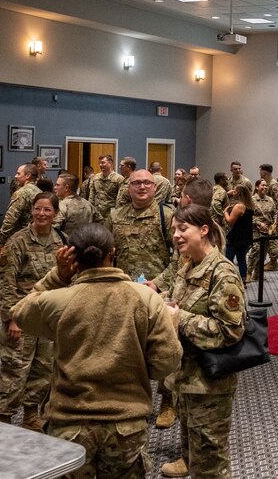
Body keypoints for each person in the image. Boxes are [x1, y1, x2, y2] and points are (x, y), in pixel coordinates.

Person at [9, 223, 183, 479]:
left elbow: (20, 312)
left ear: (72, 257)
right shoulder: (146, 299)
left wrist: (58, 276)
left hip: (69, 425)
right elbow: (164, 365)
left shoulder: (59, 300)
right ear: (113, 252)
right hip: (126, 425)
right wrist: (171, 328)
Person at [158, 205, 245, 479]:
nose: (176, 235)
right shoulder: (188, 266)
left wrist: (179, 317)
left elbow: (230, 331)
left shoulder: (222, 273)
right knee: (193, 449)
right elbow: (179, 303)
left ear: (204, 230)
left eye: (183, 229)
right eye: (174, 229)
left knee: (210, 463)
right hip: (186, 376)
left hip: (209, 384)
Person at [107, 168, 177, 427]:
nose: (142, 187)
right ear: (129, 188)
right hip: (125, 292)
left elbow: (181, 257)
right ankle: (134, 398)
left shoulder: (167, 215)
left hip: (159, 293)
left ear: (155, 187)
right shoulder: (116, 216)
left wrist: (158, 284)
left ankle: (168, 401)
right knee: (128, 347)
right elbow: (107, 253)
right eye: (136, 183)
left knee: (163, 345)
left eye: (147, 183)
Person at [0, 192, 65, 429]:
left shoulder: (61, 241)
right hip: (22, 316)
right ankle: (4, 416)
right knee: (15, 368)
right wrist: (13, 318)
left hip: (48, 317)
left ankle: (31, 414)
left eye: (47, 210)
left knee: (43, 369)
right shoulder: (18, 241)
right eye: (37, 209)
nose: (41, 214)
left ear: (56, 213)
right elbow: (6, 282)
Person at [0, 163, 40, 248]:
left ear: (28, 176)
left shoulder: (21, 193)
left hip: (20, 240)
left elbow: (10, 219)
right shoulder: (39, 192)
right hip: (36, 238)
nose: (16, 176)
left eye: (18, 173)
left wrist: (1, 240)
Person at [247, 179, 278, 280]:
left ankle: (258, 274)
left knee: (263, 252)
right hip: (255, 228)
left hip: (268, 230)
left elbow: (275, 213)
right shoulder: (251, 200)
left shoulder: (270, 200)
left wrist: (275, 223)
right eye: (262, 185)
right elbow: (248, 216)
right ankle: (248, 273)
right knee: (256, 249)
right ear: (257, 187)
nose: (265, 187)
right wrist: (258, 223)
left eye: (266, 185)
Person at [223, 183, 254, 280]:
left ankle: (229, 279)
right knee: (241, 259)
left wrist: (225, 212)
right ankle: (243, 280)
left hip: (236, 238)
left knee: (228, 259)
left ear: (239, 193)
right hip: (245, 237)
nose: (233, 192)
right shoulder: (249, 206)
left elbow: (229, 222)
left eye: (235, 191)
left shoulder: (239, 206)